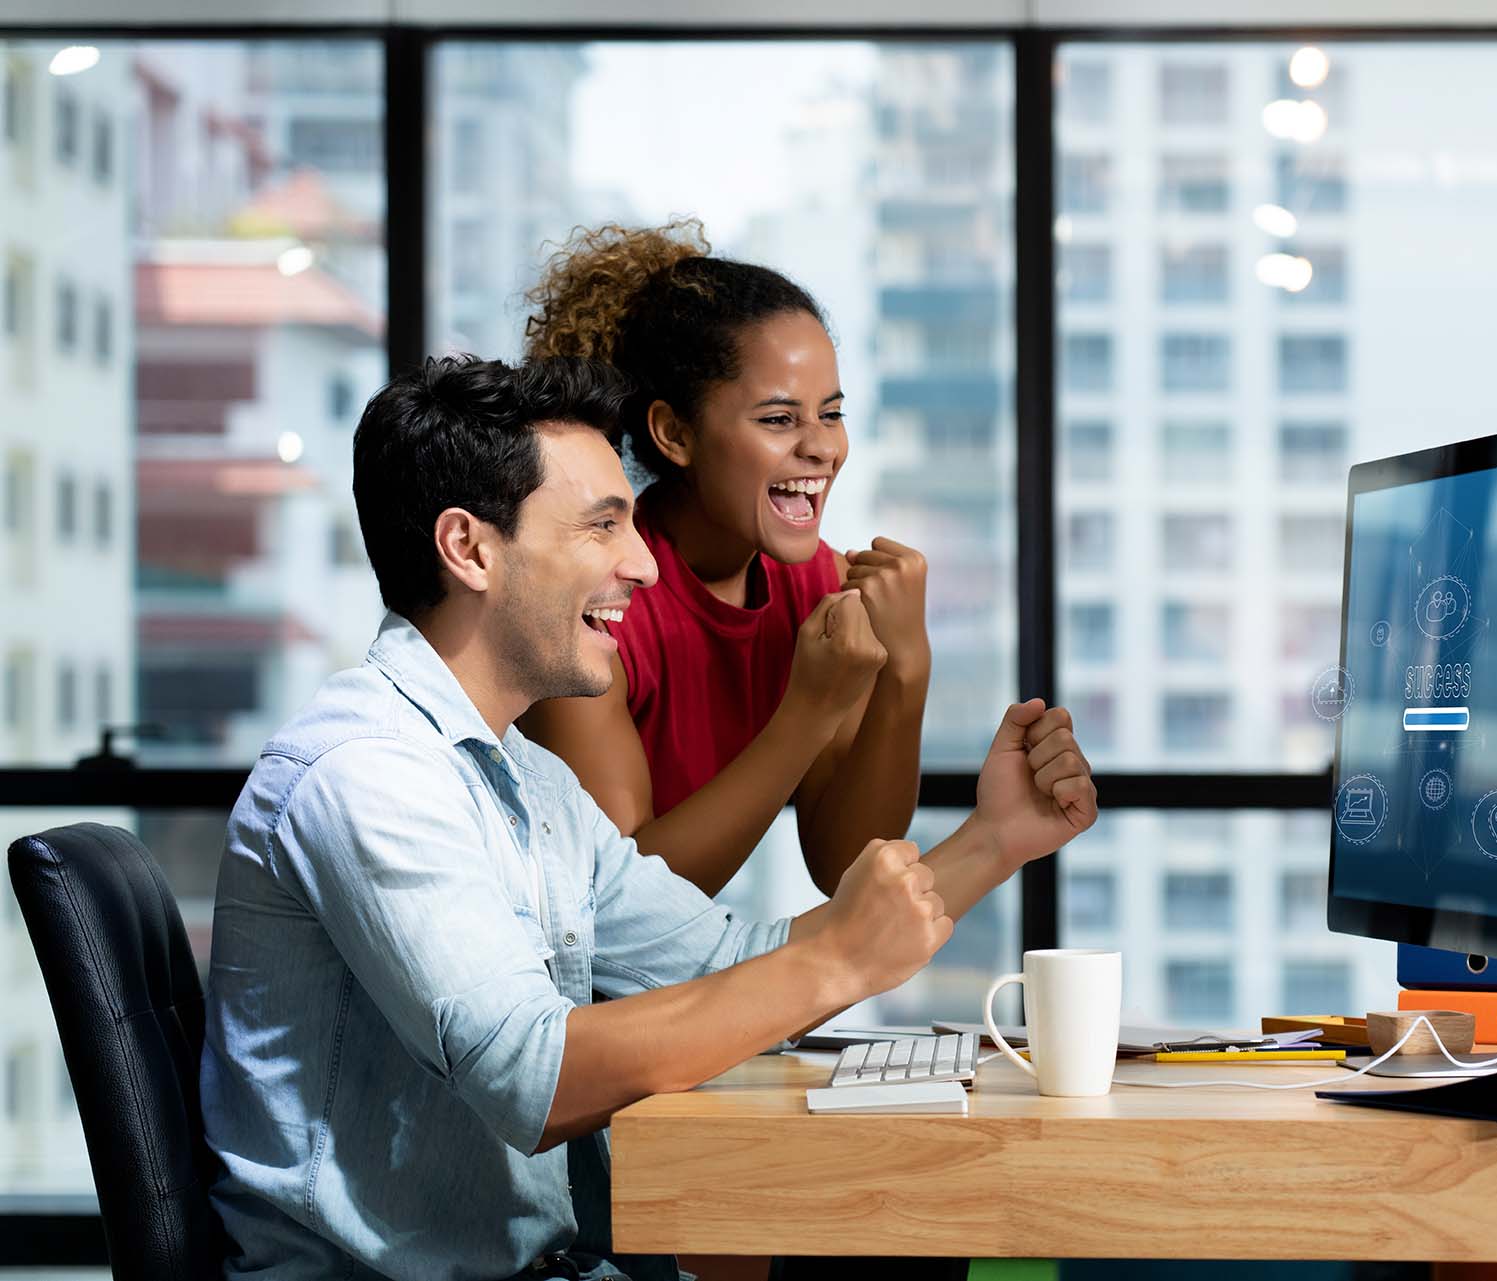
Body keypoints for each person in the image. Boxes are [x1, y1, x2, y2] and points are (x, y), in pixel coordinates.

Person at [198, 356, 1097, 1281]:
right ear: (469, 548)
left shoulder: (529, 783)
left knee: (905, 1257)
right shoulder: (369, 773)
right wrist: (835, 958)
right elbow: (531, 1074)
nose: (637, 563)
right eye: (601, 526)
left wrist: (996, 839)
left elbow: (735, 972)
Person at [519, 220, 925, 898]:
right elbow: (621, 909)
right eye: (778, 419)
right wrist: (807, 709)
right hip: (558, 991)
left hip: (683, 986)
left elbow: (845, 865)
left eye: (831, 413)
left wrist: (907, 671)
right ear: (675, 433)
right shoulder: (591, 605)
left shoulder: (819, 587)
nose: (822, 447)